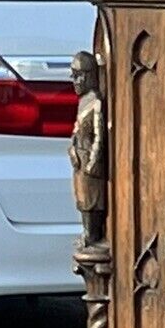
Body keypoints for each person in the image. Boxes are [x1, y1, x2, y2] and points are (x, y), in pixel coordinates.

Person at [70, 51, 106, 248]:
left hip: (90, 164)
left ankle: (92, 235)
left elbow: (99, 136)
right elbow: (76, 131)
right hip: (79, 160)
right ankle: (87, 234)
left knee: (91, 202)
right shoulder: (83, 101)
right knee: (81, 200)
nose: (75, 81)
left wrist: (92, 163)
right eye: (73, 76)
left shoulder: (96, 102)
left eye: (79, 75)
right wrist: (72, 150)